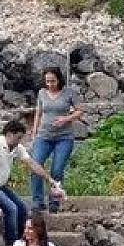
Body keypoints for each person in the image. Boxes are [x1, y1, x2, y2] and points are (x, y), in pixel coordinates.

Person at [0, 117, 62, 246]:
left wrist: (50, 180)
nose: (19, 142)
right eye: (18, 138)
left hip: (1, 186)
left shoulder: (17, 148)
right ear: (9, 134)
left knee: (22, 208)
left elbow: (32, 164)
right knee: (11, 208)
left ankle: (24, 241)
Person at [29, 66, 83, 211]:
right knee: (36, 165)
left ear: (58, 79)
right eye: (47, 81)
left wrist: (66, 119)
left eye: (53, 81)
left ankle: (54, 201)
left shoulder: (69, 93)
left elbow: (80, 111)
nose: (50, 84)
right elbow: (38, 113)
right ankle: (37, 200)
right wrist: (34, 134)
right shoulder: (41, 93)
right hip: (44, 135)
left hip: (64, 137)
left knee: (57, 170)